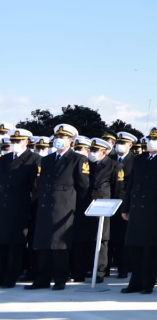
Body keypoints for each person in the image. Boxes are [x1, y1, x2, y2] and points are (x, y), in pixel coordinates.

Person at [26, 124, 89, 291]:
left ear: (71, 140)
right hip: (46, 206)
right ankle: (42, 278)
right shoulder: (46, 159)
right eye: (57, 137)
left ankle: (60, 279)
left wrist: (74, 206)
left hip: (64, 208)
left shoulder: (78, 159)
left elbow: (83, 187)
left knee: (60, 245)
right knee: (43, 244)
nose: (58, 140)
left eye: (63, 138)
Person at [119, 126, 157, 294]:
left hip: (154, 210)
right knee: (135, 248)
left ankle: (147, 284)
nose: (150, 143)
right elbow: (131, 185)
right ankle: (134, 282)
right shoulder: (140, 159)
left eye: (155, 140)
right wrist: (126, 206)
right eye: (149, 139)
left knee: (150, 249)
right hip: (136, 209)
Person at [73, 138, 121, 284]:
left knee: (101, 240)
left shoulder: (114, 166)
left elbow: (117, 190)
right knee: (83, 239)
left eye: (95, 151)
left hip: (103, 206)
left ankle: (100, 271)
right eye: (90, 150)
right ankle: (82, 269)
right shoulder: (87, 164)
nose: (91, 153)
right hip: (85, 206)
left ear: (104, 152)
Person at [0, 129, 40, 288]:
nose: (14, 144)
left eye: (18, 141)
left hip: (21, 207)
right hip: (3, 206)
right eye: (13, 141)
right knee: (2, 244)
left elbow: (36, 188)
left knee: (16, 245)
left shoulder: (33, 159)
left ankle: (11, 276)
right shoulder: (5, 159)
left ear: (26, 142)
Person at [108, 131, 137, 280]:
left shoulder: (135, 160)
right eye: (118, 143)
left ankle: (123, 268)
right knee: (109, 236)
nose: (120, 146)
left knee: (123, 238)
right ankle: (105, 267)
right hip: (110, 202)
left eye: (123, 143)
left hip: (126, 202)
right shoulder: (110, 159)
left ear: (130, 145)